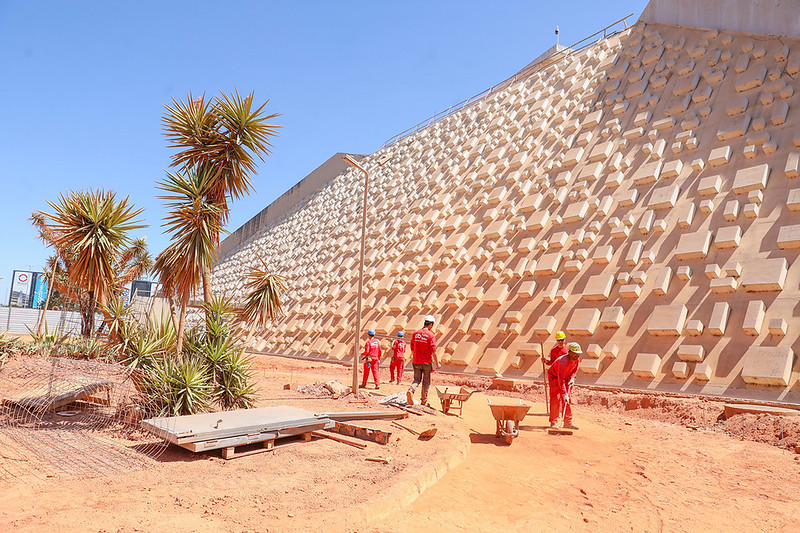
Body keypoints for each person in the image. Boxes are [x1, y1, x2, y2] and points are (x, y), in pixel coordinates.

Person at [548, 342, 581, 430]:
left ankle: (567, 422)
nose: (577, 356)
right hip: (555, 377)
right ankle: (553, 422)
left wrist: (572, 378)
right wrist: (564, 393)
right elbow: (560, 379)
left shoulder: (576, 359)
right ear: (569, 353)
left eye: (578, 354)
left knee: (567, 399)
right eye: (575, 354)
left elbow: (575, 370)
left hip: (567, 377)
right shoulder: (563, 362)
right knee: (556, 398)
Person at [406, 315, 439, 406]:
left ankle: (411, 390)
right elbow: (433, 351)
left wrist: (415, 356)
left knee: (416, 379)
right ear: (431, 325)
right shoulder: (431, 335)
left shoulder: (415, 333)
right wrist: (437, 363)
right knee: (426, 382)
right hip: (426, 362)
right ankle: (423, 400)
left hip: (416, 361)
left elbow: (412, 347)